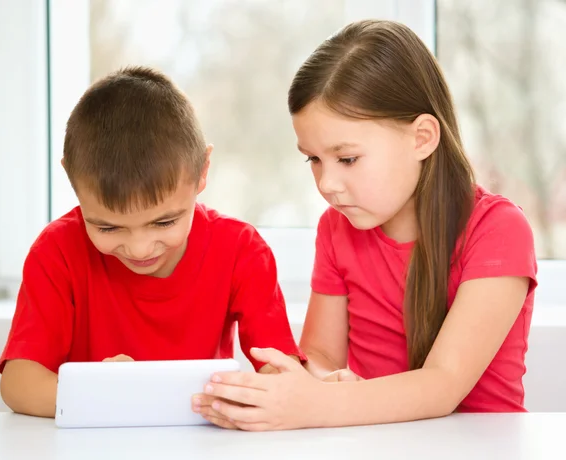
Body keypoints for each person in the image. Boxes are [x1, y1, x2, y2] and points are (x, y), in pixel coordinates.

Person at [193, 19, 537, 431]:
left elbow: (443, 385)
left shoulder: (499, 230)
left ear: (422, 138)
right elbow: (320, 354)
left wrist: (320, 403)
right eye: (313, 159)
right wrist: (318, 380)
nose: (327, 184)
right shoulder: (335, 230)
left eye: (348, 159)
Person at [0, 66, 303, 419]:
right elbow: (18, 384)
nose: (140, 249)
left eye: (164, 221)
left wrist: (261, 396)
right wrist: (98, 394)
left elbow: (281, 371)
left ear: (203, 171)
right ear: (71, 180)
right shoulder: (57, 252)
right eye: (108, 228)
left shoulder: (241, 250)